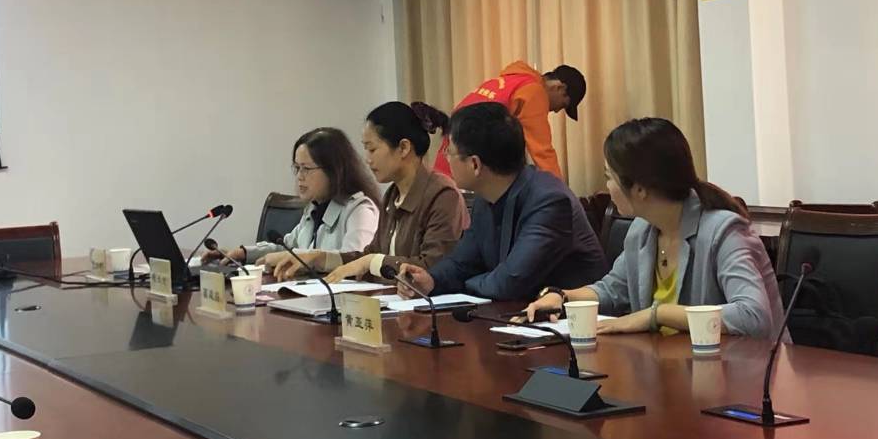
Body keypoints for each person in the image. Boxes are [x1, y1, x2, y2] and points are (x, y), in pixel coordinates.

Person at [522, 118, 784, 341]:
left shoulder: (725, 232)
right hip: (672, 367)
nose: (607, 187)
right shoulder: (642, 231)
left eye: (609, 177)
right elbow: (614, 290)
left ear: (639, 189)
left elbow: (753, 317)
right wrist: (562, 297)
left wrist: (657, 314)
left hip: (743, 374)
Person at [398, 102, 607, 301]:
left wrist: (463, 284)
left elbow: (509, 283)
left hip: (574, 320)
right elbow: (462, 263)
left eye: (449, 151)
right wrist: (431, 280)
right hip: (517, 314)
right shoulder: (485, 198)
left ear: (475, 164)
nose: (446, 158)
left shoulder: (549, 201)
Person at [272, 102, 468, 282]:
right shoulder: (392, 195)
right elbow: (368, 256)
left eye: (372, 149)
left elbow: (432, 267)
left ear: (403, 148)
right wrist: (320, 258)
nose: (367, 159)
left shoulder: (442, 195)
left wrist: (371, 261)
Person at [202, 127, 380, 270]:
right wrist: (242, 253)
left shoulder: (359, 210)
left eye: (306, 168)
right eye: (297, 168)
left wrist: (310, 259)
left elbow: (354, 263)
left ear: (333, 170)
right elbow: (286, 248)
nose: (299, 177)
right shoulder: (314, 208)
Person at [432, 61, 586, 180]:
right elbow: (542, 152)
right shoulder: (534, 92)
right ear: (559, 88)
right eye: (563, 105)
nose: (557, 111)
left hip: (445, 166)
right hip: (465, 174)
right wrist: (562, 195)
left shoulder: (511, 81)